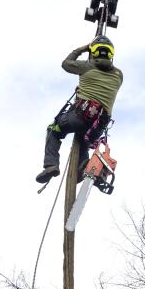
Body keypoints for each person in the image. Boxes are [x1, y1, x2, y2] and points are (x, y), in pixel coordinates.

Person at [35, 36, 123, 184]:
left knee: (53, 130)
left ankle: (51, 165)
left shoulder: (86, 67)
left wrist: (83, 48)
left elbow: (66, 64)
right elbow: (101, 87)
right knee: (84, 142)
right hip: (100, 123)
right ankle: (83, 167)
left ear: (93, 52)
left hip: (80, 115)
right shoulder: (119, 75)